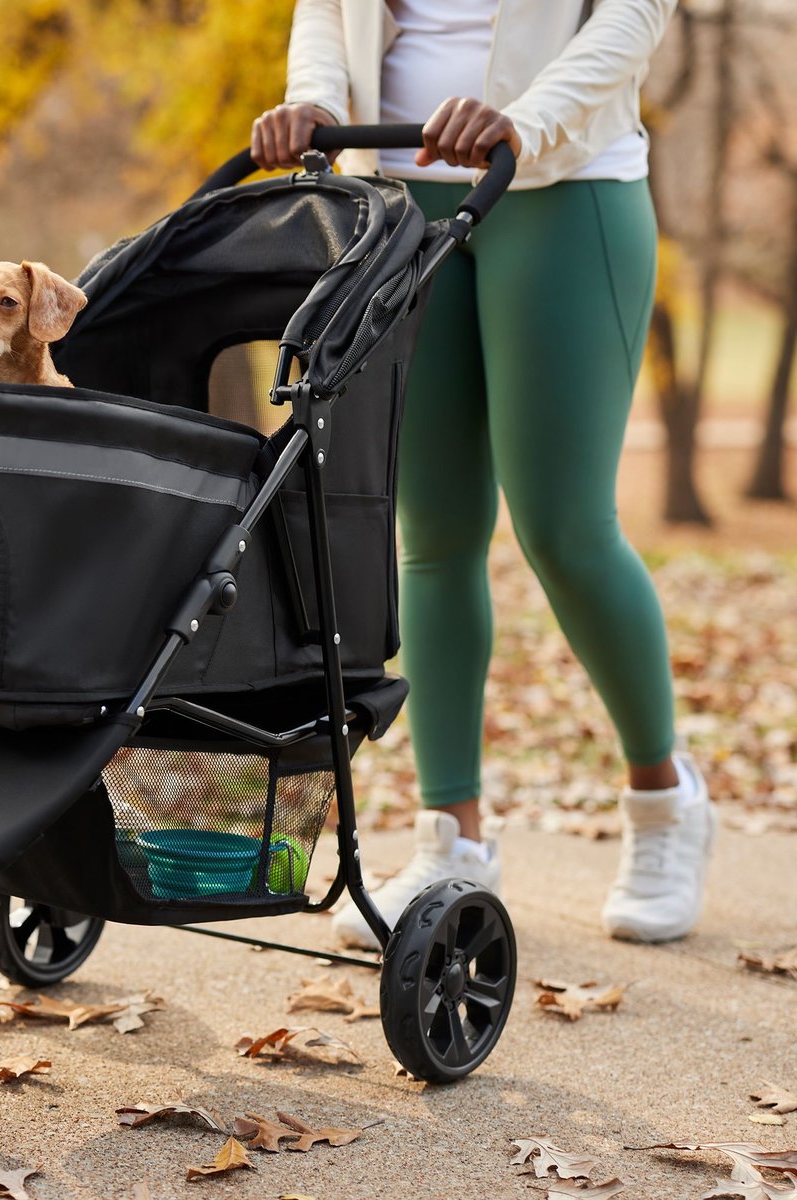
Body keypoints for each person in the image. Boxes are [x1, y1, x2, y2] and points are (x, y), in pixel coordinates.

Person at [251, 0, 716, 950]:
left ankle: (664, 804)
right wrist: (311, 100)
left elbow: (634, 16)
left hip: (561, 187)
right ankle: (449, 835)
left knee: (566, 528)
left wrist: (526, 119)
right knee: (434, 533)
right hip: (397, 200)